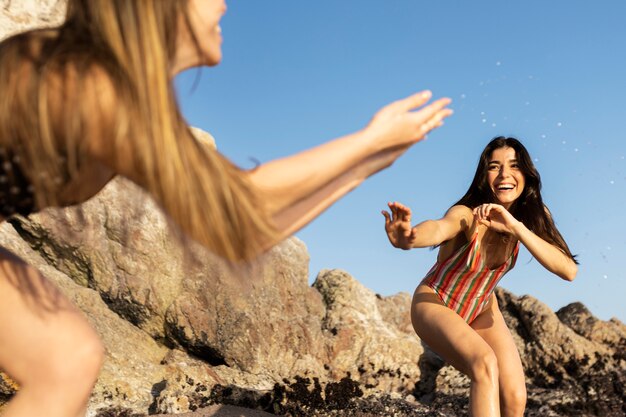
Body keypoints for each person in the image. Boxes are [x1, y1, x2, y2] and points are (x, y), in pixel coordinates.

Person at [0, 1, 452, 416]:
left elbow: (242, 235)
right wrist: (368, 140)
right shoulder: (95, 81)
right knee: (65, 358)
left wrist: (369, 164)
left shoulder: (126, 95)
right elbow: (244, 200)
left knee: (66, 359)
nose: (223, 4)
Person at [382, 137, 577, 417]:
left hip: (482, 307)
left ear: (526, 173)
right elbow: (438, 229)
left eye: (514, 166)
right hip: (436, 301)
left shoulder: (530, 217)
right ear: (484, 176)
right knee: (484, 363)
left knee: (514, 397)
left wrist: (515, 227)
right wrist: (407, 238)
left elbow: (568, 270)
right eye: (494, 167)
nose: (504, 175)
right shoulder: (467, 214)